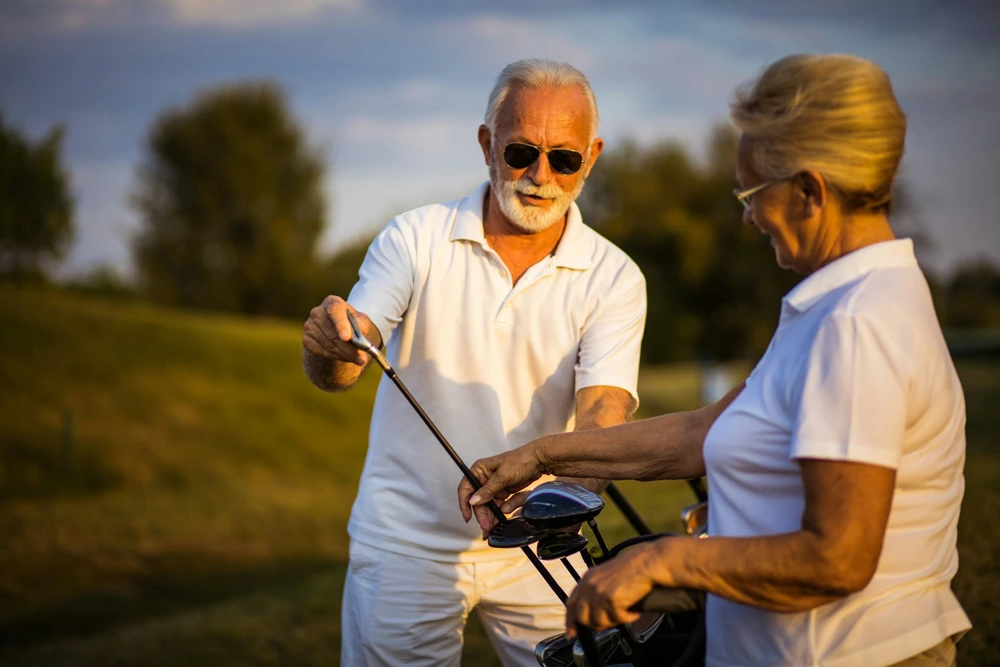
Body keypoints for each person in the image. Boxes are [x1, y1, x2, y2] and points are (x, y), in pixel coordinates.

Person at [459, 53, 971, 667]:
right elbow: (705, 432)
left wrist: (663, 560)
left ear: (809, 191)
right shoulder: (843, 301)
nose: (749, 215)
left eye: (753, 192)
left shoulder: (857, 323)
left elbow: (837, 557)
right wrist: (541, 455)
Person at [302, 59, 647, 666]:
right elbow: (352, 353)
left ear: (590, 158)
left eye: (564, 159)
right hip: (407, 544)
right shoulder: (414, 237)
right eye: (521, 152)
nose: (541, 176)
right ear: (487, 143)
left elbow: (604, 416)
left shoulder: (615, 276)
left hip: (544, 540)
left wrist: (556, 504)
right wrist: (333, 348)